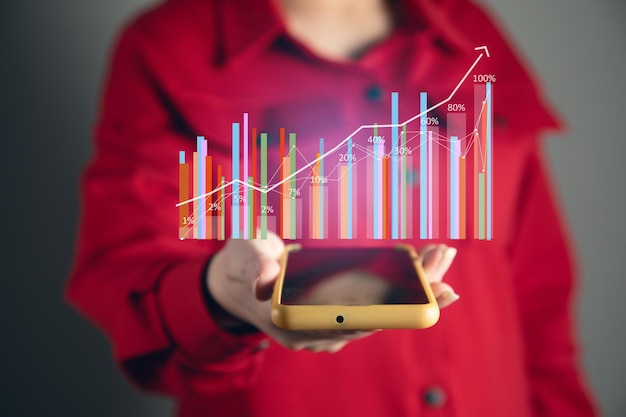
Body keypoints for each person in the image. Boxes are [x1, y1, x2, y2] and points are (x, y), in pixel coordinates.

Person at [67, 0, 597, 416]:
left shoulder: (471, 32)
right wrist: (219, 295)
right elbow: (128, 279)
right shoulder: (166, 47)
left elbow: (539, 304)